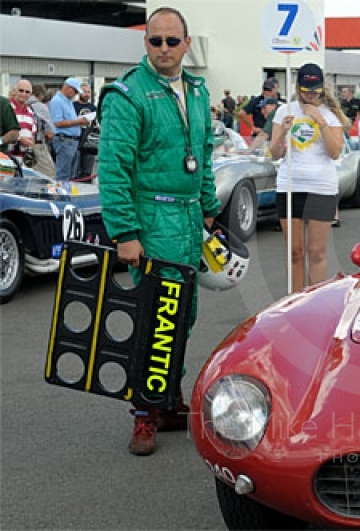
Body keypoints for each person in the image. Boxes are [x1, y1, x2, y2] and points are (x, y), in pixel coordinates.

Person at [96, 6, 220, 456]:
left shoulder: (199, 91)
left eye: (172, 41)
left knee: (183, 316)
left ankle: (167, 400)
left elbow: (203, 156)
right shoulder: (127, 94)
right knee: (156, 320)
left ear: (188, 44)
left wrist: (208, 208)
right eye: (155, 41)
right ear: (145, 44)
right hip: (152, 220)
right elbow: (112, 169)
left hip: (188, 221)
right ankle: (143, 414)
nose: (164, 49)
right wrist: (125, 231)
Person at [268, 62, 347, 292]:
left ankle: (316, 300)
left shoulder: (329, 115)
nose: (311, 95)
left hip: (321, 186)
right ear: (298, 87)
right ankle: (295, 301)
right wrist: (281, 132)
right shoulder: (284, 110)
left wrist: (319, 121)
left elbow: (335, 153)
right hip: (290, 184)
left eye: (315, 90)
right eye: (306, 90)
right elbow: (274, 153)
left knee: (317, 252)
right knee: (295, 252)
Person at [50, 77, 90, 181]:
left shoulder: (67, 101)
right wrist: (78, 122)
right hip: (64, 140)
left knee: (71, 175)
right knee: (63, 174)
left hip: (71, 141)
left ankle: (66, 194)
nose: (76, 94)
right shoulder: (57, 101)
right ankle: (61, 196)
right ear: (68, 88)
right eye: (75, 91)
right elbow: (58, 123)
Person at [27, 84, 56, 177]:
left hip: (21, 146)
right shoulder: (41, 107)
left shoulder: (23, 105)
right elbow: (50, 133)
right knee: (49, 174)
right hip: (37, 144)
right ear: (41, 95)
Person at [7, 80, 37, 168]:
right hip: (8, 157)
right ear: (14, 91)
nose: (24, 94)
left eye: (27, 92)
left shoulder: (30, 111)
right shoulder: (7, 107)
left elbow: (33, 134)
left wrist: (31, 145)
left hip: (24, 159)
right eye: (21, 90)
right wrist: (20, 139)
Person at [73, 82, 97, 178]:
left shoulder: (93, 108)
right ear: (79, 92)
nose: (86, 94)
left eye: (88, 92)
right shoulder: (73, 106)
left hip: (89, 143)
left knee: (87, 171)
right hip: (76, 141)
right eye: (84, 92)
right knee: (76, 170)